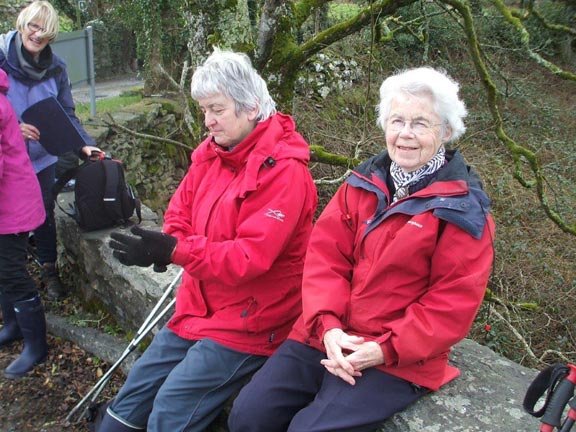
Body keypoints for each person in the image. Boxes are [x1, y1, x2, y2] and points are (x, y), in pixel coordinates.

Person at [228, 66, 496, 432]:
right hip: (326, 334)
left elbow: (452, 302)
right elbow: (325, 259)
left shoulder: (461, 210)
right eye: (396, 120)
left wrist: (385, 348)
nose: (405, 134)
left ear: (446, 132)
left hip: (397, 357)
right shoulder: (362, 184)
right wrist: (329, 327)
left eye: (421, 123)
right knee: (248, 415)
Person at [100, 47, 318, 431]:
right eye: (203, 110)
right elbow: (177, 213)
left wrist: (177, 250)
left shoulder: (285, 173)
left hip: (253, 317)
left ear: (250, 107)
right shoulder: (212, 155)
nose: (208, 121)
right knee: (136, 389)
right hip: (199, 305)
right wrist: (167, 243)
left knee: (172, 405)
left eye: (216, 109)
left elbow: (250, 258)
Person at [0, 1, 100, 300]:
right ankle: (13, 282)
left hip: (42, 159)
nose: (38, 34)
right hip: (6, 158)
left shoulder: (56, 66)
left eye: (46, 30)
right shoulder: (1, 58)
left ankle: (48, 270)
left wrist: (83, 142)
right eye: (34, 25)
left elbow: (66, 111)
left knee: (42, 213)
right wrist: (12, 128)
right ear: (22, 24)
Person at [0, 67, 49, 379]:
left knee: (10, 270)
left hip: (11, 202)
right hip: (9, 199)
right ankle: (13, 325)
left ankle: (36, 345)